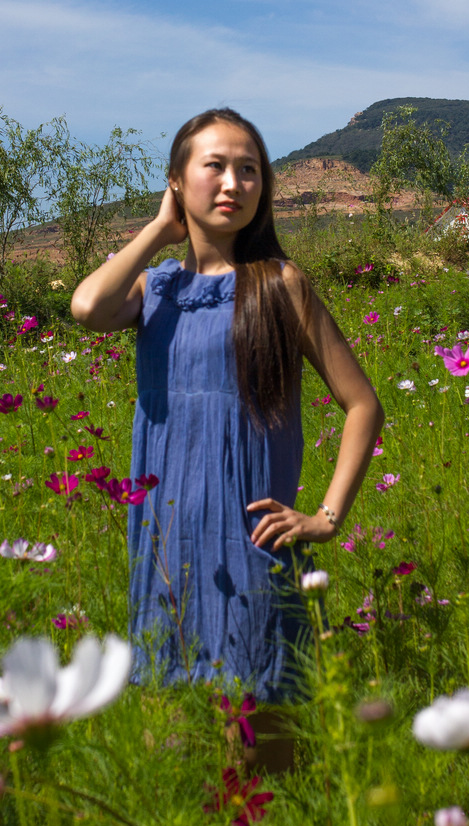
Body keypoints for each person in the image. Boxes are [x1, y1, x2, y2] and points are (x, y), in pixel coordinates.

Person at [71, 108, 383, 769]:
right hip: (165, 537)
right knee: (171, 711)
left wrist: (327, 516)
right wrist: (160, 228)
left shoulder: (280, 287)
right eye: (214, 165)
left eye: (250, 169)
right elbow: (86, 308)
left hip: (249, 536)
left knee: (263, 717)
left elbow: (362, 405)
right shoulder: (155, 291)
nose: (234, 182)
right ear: (177, 182)